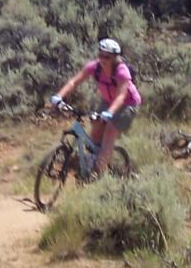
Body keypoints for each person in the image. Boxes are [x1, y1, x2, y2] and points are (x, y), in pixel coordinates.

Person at [50, 38, 141, 177]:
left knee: (110, 131)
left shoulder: (122, 72)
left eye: (107, 57)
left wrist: (109, 113)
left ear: (115, 58)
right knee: (95, 132)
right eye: (100, 55)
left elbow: (121, 96)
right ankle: (94, 160)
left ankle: (97, 174)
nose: (103, 59)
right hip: (108, 101)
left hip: (128, 104)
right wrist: (59, 96)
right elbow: (74, 81)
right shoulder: (94, 67)